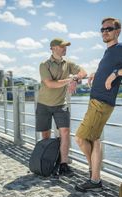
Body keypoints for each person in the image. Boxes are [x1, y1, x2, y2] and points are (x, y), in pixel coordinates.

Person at [74, 17, 122, 191]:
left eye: (109, 29)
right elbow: (107, 69)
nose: (105, 32)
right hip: (96, 101)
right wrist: (95, 73)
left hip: (102, 103)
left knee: (81, 138)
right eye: (103, 29)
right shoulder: (109, 51)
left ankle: (95, 177)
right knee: (94, 140)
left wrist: (116, 73)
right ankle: (95, 176)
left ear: (118, 31)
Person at [36, 38, 87, 176]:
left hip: (61, 104)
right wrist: (70, 80)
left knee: (64, 132)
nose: (65, 48)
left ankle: (63, 164)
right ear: (53, 48)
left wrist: (75, 78)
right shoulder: (44, 64)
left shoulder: (68, 63)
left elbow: (83, 72)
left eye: (66, 46)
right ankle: (48, 162)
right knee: (45, 135)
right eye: (62, 46)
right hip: (44, 104)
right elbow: (50, 84)